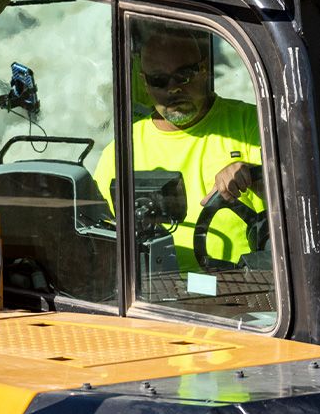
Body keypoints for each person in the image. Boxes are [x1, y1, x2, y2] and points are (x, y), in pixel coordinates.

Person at [93, 20, 264, 272]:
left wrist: (255, 177)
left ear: (204, 70)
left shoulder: (253, 126)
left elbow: (298, 204)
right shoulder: (121, 152)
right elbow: (101, 237)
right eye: (159, 80)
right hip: (151, 298)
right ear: (144, 83)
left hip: (245, 291)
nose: (173, 88)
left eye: (184, 75)